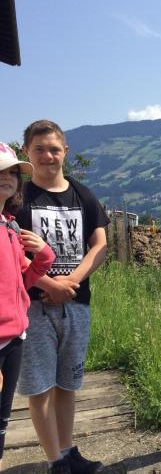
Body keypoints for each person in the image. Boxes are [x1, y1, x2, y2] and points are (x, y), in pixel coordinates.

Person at [15, 120, 109, 474]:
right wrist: (49, 284)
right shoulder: (19, 198)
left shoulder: (83, 195)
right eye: (39, 149)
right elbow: (8, 249)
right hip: (35, 307)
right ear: (28, 152)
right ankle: (55, 461)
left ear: (65, 151)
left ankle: (67, 452)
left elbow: (99, 245)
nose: (48, 155)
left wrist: (71, 280)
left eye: (54, 148)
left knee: (68, 383)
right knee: (39, 388)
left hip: (76, 306)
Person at [0, 143, 55, 470]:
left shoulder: (10, 226)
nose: (7, 177)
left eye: (11, 172)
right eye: (0, 171)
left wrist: (44, 256)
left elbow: (21, 283)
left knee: (3, 418)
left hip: (16, 336)